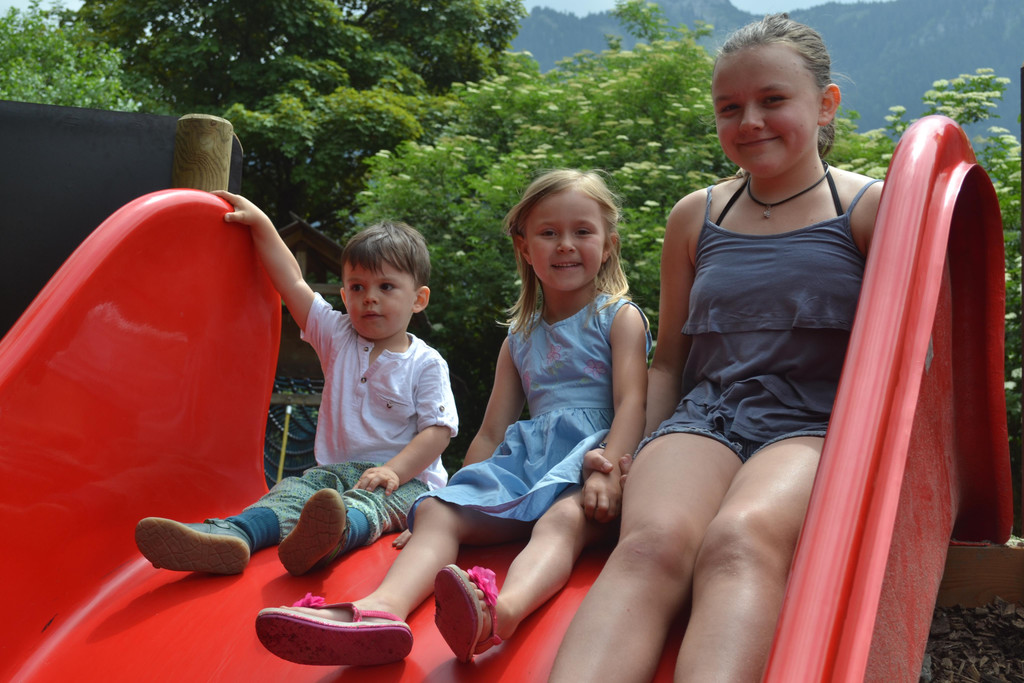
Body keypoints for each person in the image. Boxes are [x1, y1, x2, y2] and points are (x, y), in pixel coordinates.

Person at [549, 14, 884, 682]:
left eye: (772, 99)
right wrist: (626, 452)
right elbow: (670, 359)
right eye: (730, 108)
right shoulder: (697, 216)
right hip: (707, 417)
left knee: (740, 538)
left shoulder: (869, 210)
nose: (750, 121)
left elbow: (905, 359)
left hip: (815, 425)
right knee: (651, 544)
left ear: (825, 104)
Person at [253, 168, 651, 667]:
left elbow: (634, 402)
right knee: (439, 512)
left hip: (590, 468)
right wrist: (450, 496)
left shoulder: (618, 317)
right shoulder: (519, 339)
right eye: (549, 233)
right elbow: (492, 430)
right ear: (525, 248)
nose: (565, 244)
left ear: (609, 245)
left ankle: (502, 612)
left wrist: (608, 469)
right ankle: (382, 609)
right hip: (529, 466)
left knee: (562, 521)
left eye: (583, 231)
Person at [134, 192, 458, 577]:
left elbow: (438, 431)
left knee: (369, 504)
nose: (369, 298)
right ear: (344, 295)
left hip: (407, 484)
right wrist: (261, 224)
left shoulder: (425, 363)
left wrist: (394, 471)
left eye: (386, 287)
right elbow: (291, 282)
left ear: (419, 299)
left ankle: (331, 537)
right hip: (334, 474)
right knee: (291, 493)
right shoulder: (337, 335)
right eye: (357, 287)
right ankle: (233, 534)